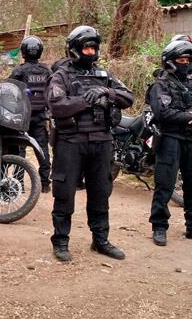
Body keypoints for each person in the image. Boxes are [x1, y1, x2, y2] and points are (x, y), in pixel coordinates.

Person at [47, 26, 134, 261]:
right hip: (70, 142)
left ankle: (101, 240)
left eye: (93, 47)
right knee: (64, 194)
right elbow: (57, 106)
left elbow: (128, 96)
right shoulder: (61, 75)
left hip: (101, 141)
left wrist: (106, 92)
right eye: (86, 47)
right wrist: (87, 100)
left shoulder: (104, 75)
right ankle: (61, 242)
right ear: (75, 49)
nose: (90, 51)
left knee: (100, 192)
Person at [147, 39, 192, 246]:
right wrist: (189, 117)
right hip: (170, 139)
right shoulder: (161, 84)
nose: (185, 62)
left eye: (188, 59)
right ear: (169, 61)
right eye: (181, 59)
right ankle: (159, 227)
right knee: (165, 185)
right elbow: (163, 112)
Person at [8, 36, 53, 192]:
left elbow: (8, 89)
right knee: (42, 149)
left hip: (23, 117)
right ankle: (45, 183)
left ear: (23, 51)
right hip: (41, 116)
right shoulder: (47, 70)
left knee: (21, 150)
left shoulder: (19, 70)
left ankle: (18, 182)